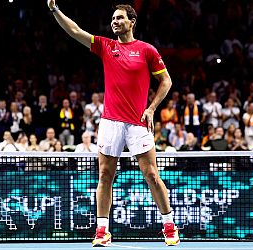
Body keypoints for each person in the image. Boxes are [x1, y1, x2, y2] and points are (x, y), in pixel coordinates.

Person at [48, 1, 179, 246]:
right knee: (105, 175)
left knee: (151, 174)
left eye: (119, 18)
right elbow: (75, 31)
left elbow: (167, 82)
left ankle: (169, 226)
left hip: (138, 122)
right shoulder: (106, 46)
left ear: (132, 22)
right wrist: (55, 10)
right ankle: (102, 231)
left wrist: (151, 109)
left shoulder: (147, 50)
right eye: (113, 19)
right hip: (110, 122)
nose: (114, 22)